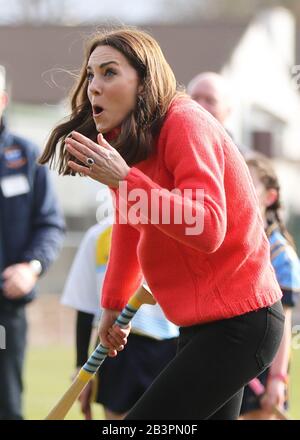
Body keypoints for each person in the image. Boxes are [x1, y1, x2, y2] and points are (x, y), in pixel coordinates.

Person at [39, 27, 284, 420]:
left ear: (144, 80)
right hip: (200, 325)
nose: (93, 87)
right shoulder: (133, 141)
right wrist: (112, 307)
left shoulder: (185, 123)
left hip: (242, 325)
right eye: (90, 75)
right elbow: (128, 226)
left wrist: (125, 181)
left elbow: (206, 228)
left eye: (109, 72)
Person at [61, 217, 179, 420]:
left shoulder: (177, 227)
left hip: (170, 344)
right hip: (117, 346)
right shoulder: (98, 236)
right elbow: (85, 307)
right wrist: (81, 365)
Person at [0, 66, 65, 419]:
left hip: (3, 311)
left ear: (3, 100)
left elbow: (50, 224)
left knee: (5, 402)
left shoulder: (24, 157)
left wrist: (31, 267)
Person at [239, 154, 300, 420]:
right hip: (228, 361)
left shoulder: (281, 255)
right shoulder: (231, 241)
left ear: (270, 197)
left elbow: (283, 324)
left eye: (247, 183)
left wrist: (278, 378)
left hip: (263, 371)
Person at [187, 71, 248, 155]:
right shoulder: (171, 148)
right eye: (194, 98)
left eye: (210, 101)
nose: (200, 106)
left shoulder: (245, 160)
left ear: (228, 110)